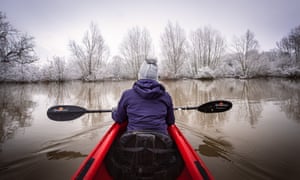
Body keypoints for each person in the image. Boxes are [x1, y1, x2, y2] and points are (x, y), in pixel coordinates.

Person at [112, 58, 175, 135]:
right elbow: (170, 121)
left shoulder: (127, 94)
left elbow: (119, 119)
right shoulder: (166, 96)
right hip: (161, 141)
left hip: (132, 139)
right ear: (156, 77)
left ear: (140, 76)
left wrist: (114, 111)